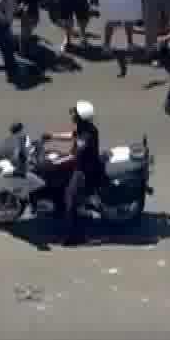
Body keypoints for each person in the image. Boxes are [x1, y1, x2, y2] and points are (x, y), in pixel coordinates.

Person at [43, 100, 104, 246]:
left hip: (83, 170)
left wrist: (55, 162)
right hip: (80, 162)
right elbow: (72, 135)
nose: (72, 115)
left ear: (80, 117)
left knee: (69, 200)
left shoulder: (87, 134)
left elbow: (75, 157)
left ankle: (72, 237)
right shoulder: (85, 127)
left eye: (75, 113)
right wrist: (52, 136)